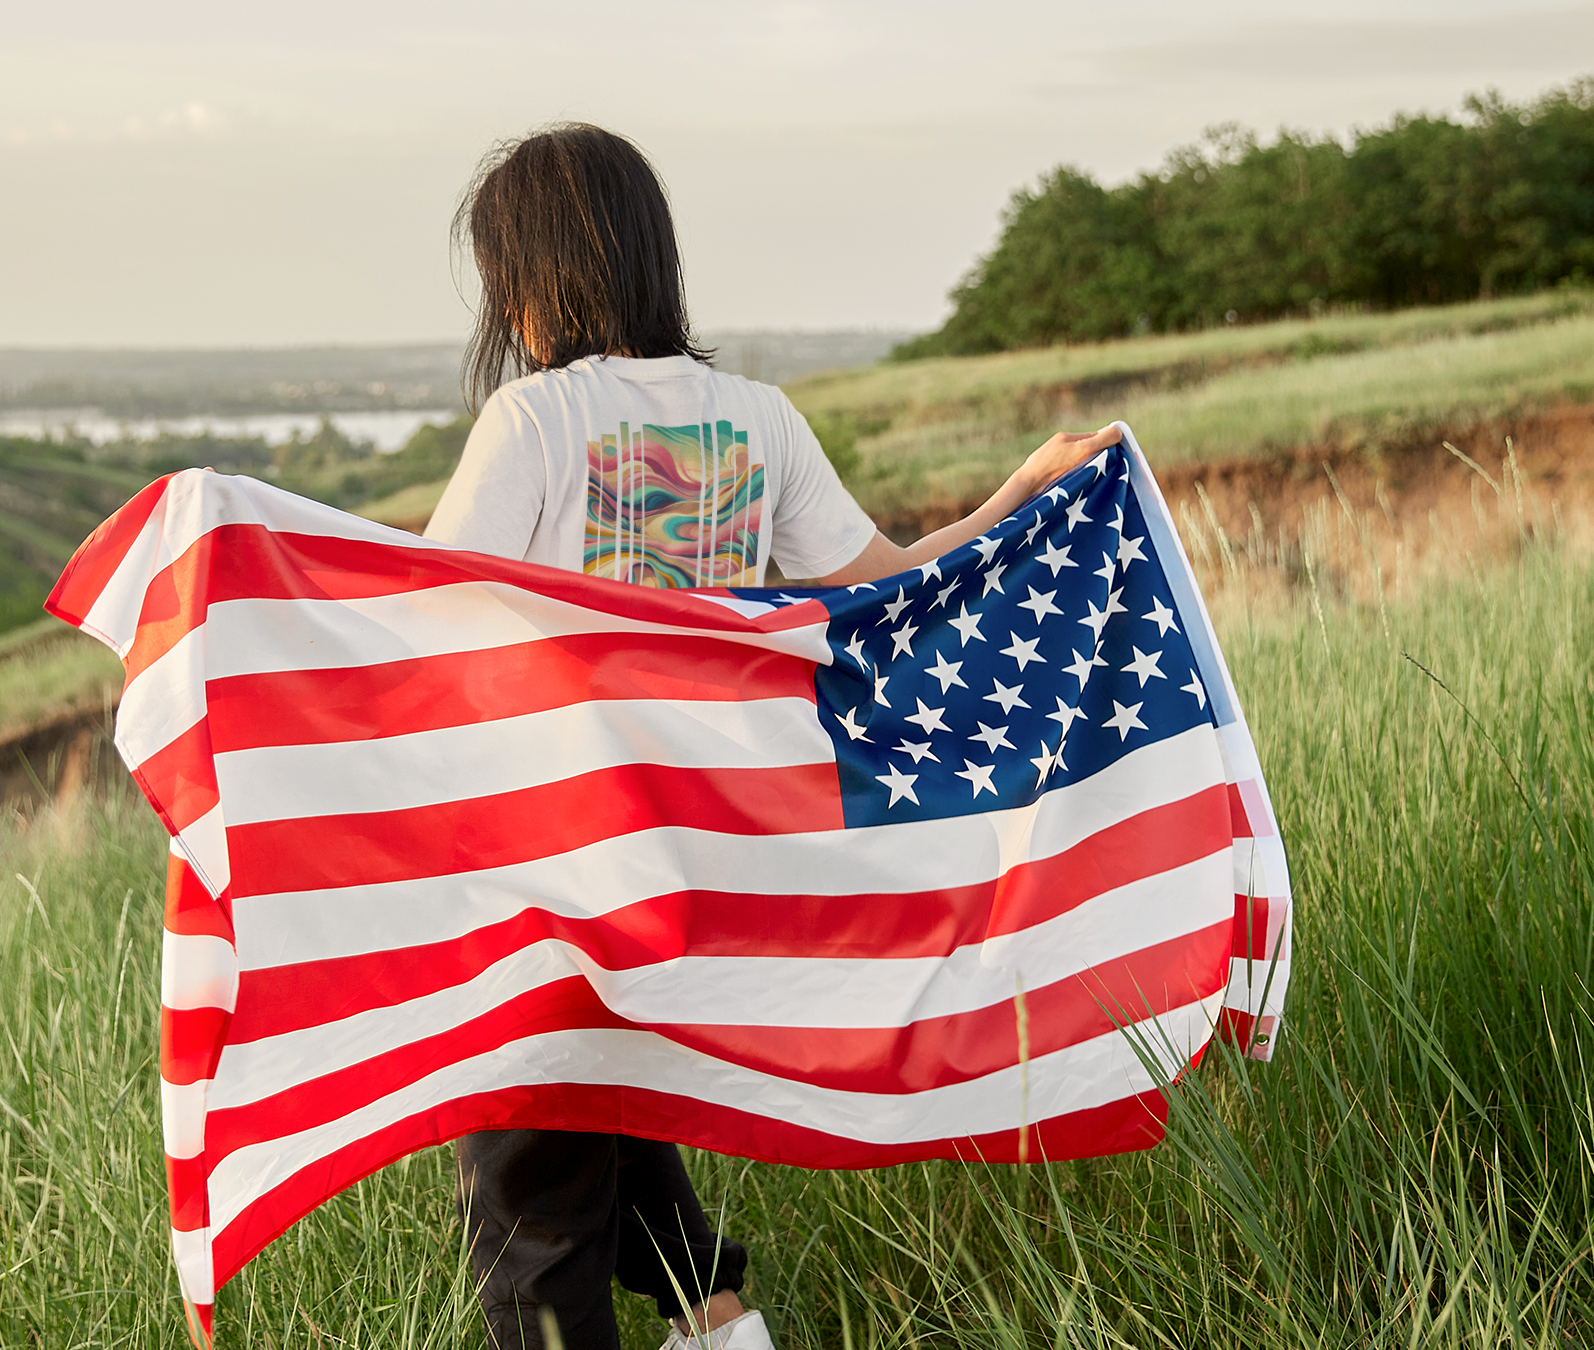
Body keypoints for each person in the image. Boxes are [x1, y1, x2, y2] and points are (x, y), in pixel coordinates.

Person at [425, 123, 1119, 1350]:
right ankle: (723, 1320)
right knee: (613, 1118)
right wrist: (1021, 496)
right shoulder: (759, 419)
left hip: (548, 874)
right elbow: (891, 588)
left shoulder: (532, 423)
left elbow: (415, 636)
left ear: (530, 284)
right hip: (688, 874)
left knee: (530, 1218)